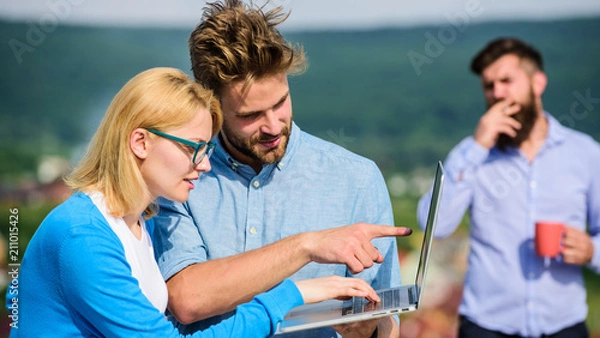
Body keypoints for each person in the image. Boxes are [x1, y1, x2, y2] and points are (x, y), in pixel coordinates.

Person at [10, 67, 385, 337]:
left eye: (207, 148)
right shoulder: (82, 236)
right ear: (140, 142)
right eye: (193, 149)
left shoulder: (139, 224)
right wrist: (292, 294)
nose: (204, 164)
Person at [151, 1, 409, 337]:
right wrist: (305, 247)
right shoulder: (181, 178)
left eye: (280, 102)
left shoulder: (358, 179)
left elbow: (388, 321)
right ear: (211, 105)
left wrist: (369, 330)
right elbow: (187, 299)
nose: (273, 126)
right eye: (251, 115)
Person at [417, 37, 600, 338]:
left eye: (506, 81)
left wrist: (592, 250)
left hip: (564, 325)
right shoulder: (471, 154)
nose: (497, 93)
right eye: (489, 86)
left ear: (538, 82)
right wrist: (477, 146)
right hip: (485, 325)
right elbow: (433, 225)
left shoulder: (585, 153)